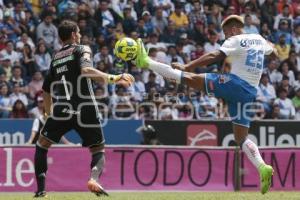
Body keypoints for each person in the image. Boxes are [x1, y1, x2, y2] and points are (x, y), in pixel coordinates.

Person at [134, 15, 277, 195]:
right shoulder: (259, 39)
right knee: (241, 139)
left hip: (235, 84)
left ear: (233, 29)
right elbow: (273, 50)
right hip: (249, 93)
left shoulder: (236, 39)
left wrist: (189, 65)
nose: (225, 38)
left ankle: (145, 62)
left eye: (225, 34)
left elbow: (215, 55)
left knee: (187, 78)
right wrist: (270, 46)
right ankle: (262, 167)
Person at [34, 20, 134, 197]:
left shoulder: (55, 57)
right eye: (78, 32)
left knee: (42, 145)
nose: (80, 35)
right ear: (73, 34)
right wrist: (115, 77)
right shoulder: (82, 49)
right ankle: (94, 179)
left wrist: (49, 113)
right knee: (98, 149)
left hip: (62, 108)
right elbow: (87, 71)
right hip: (85, 107)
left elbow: (46, 89)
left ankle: (41, 191)